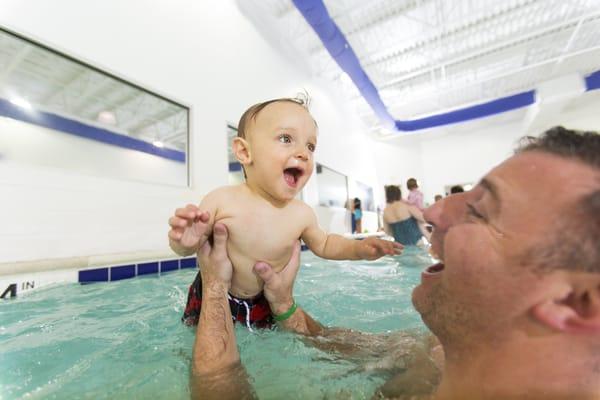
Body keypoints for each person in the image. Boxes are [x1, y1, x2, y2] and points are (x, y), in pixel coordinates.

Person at [189, 126, 600, 399]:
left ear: (576, 304)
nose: (435, 213)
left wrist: (216, 288)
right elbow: (335, 343)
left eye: (481, 211)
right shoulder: (436, 354)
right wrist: (284, 306)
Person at [168, 96, 402, 328]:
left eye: (310, 146)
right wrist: (184, 242)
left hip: (264, 302)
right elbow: (191, 247)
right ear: (244, 152)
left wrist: (358, 249)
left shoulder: (301, 214)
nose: (303, 153)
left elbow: (326, 244)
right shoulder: (221, 199)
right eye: (286, 138)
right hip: (211, 296)